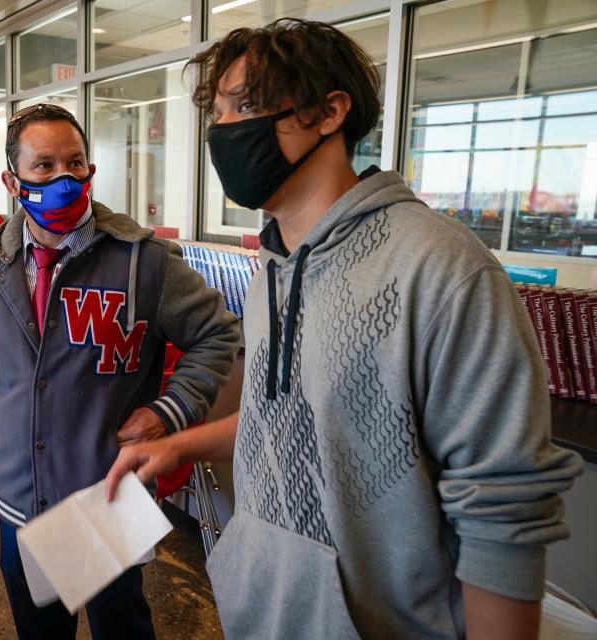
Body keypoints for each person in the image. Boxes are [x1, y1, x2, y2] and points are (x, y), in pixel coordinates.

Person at [105, 18, 583, 640]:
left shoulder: (439, 268)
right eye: (218, 115)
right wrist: (181, 445)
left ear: (330, 112)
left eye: (246, 105)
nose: (224, 133)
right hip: (266, 610)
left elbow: (502, 510)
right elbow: (304, 416)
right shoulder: (271, 267)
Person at [0, 103, 241, 640]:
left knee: (121, 625)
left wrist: (170, 409)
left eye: (76, 163)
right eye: (45, 166)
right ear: (12, 181)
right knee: (41, 630)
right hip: (20, 498)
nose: (64, 179)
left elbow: (218, 335)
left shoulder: (146, 262)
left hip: (107, 494)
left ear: (91, 169)